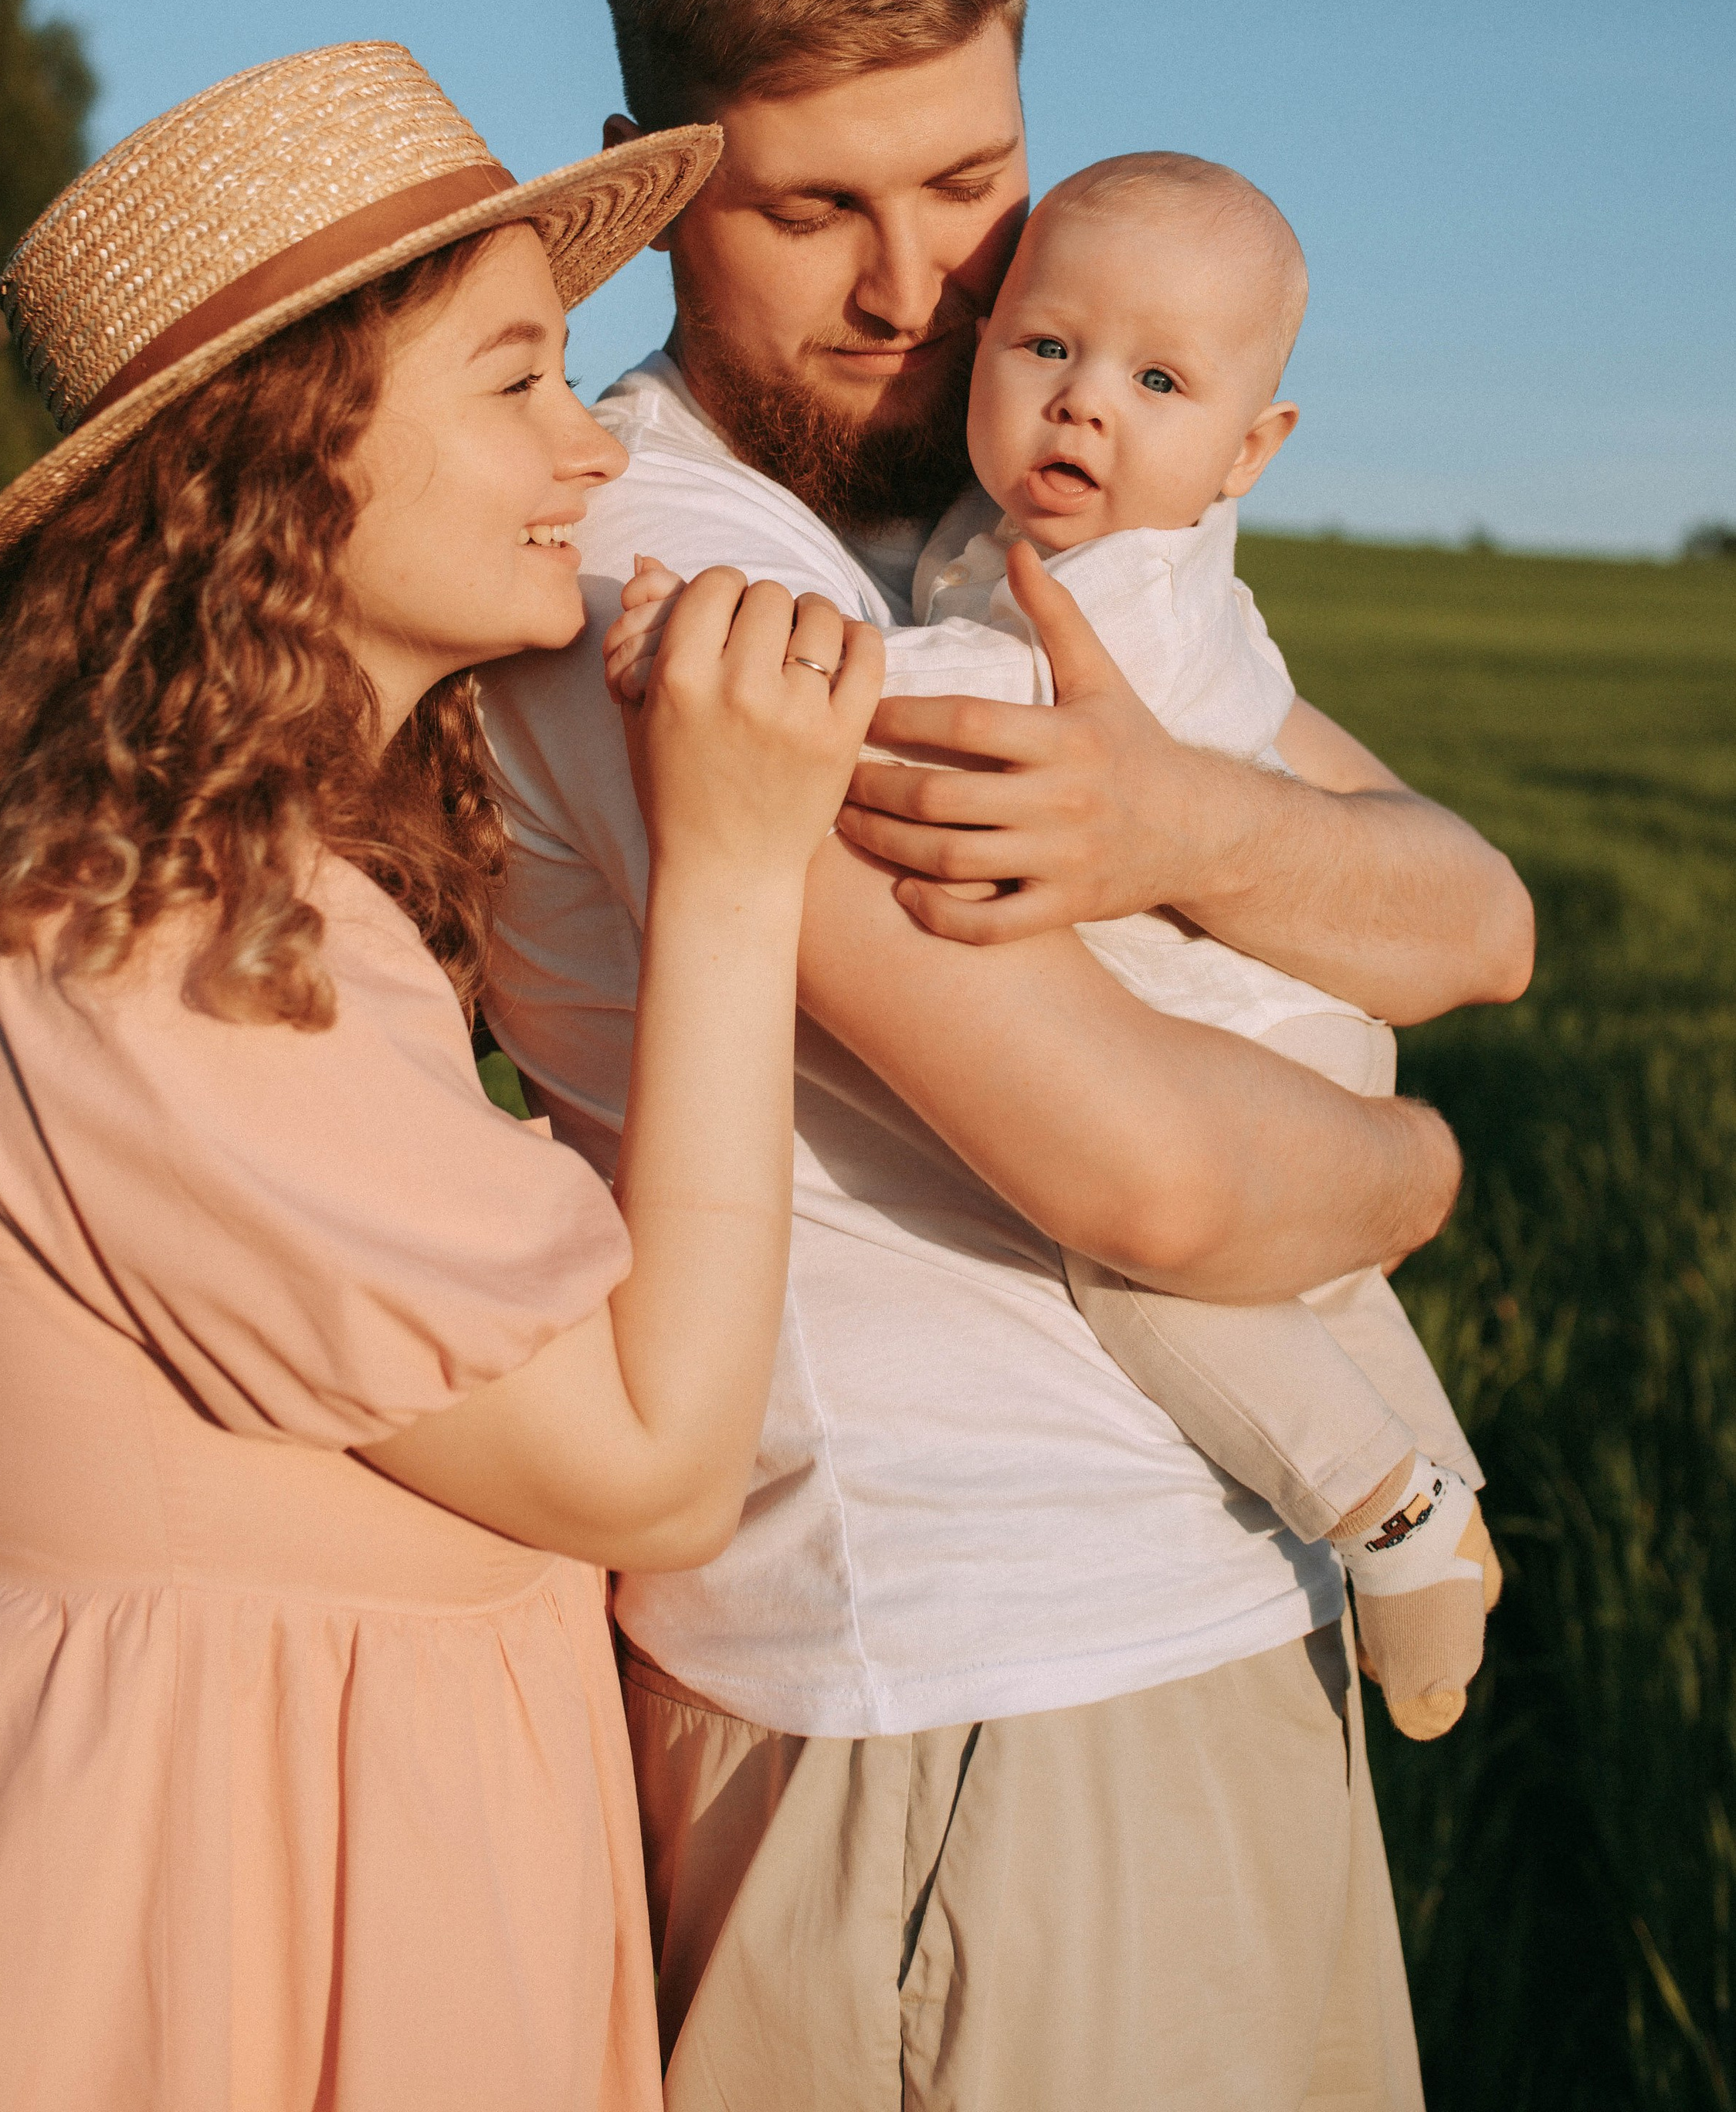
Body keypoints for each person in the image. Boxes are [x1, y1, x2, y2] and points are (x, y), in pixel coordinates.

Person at [476, 0, 1534, 2110]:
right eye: (813, 204)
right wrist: (1423, 1174)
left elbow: (1479, 911)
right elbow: (1152, 1183)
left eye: (972, 185)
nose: (916, 284)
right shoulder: (654, 579)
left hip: (1204, 1632)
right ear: (647, 181)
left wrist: (1188, 818)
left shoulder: (982, 531)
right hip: (952, 1716)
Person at [0, 39, 883, 2112]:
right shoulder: (167, 936)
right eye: (518, 379)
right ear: (285, 460)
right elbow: (645, 1462)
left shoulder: (220, 879)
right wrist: (734, 871)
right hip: (195, 1913)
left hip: (284, 1835)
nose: (593, 451)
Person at [608, 146, 1504, 1748]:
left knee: (1146, 1273)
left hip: (1244, 1039)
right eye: (1045, 350)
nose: (1083, 404)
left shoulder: (1123, 596)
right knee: (1318, 1301)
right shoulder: (1027, 533)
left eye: (1154, 380)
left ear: (1248, 449)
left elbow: (928, 706)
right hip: (1275, 1018)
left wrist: (708, 644)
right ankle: (1448, 1514)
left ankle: (1384, 1505)